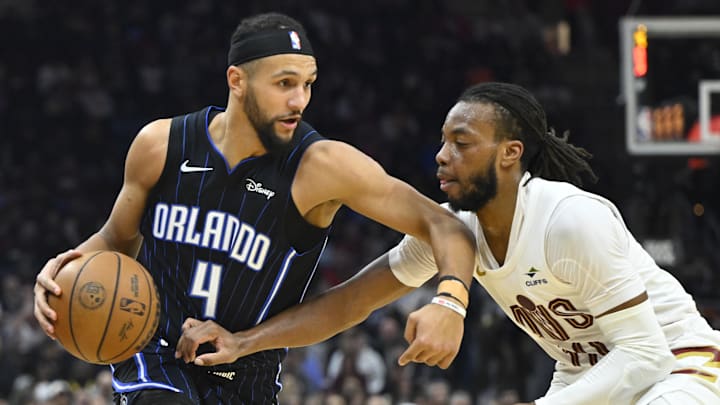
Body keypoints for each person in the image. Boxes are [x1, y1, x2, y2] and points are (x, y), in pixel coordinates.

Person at [32, 12, 478, 405]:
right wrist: (62, 269)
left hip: (247, 376)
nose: (299, 100)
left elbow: (445, 225)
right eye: (284, 84)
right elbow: (115, 239)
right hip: (153, 357)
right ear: (237, 81)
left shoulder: (322, 167)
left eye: (307, 85)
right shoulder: (160, 145)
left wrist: (452, 302)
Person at [180, 82, 720, 404]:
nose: (442, 156)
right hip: (588, 376)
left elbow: (646, 355)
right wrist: (245, 341)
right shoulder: (452, 229)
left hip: (681, 368)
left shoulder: (570, 221)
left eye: (461, 144)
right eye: (442, 142)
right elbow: (351, 302)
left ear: (510, 154)